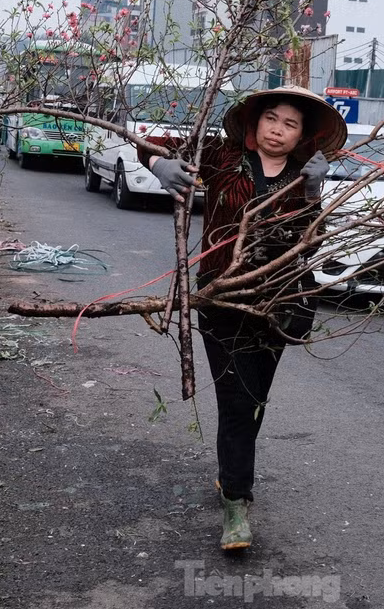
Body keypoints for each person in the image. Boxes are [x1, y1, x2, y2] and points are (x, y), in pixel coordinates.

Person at [143, 85, 347, 551]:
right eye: (271, 119)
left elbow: (309, 247)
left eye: (290, 124)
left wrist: (314, 192)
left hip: (278, 304)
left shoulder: (302, 178)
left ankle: (231, 473)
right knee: (237, 400)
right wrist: (159, 165)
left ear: (303, 137)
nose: (278, 130)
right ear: (254, 122)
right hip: (223, 298)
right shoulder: (221, 156)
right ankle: (236, 502)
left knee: (253, 399)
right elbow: (150, 142)